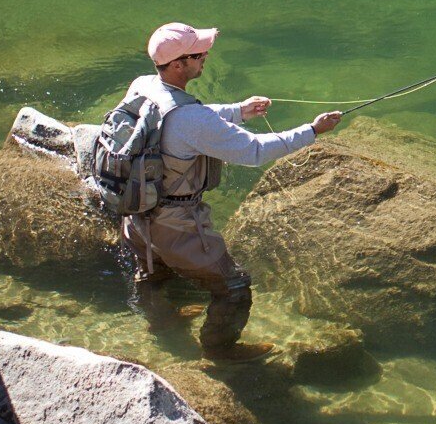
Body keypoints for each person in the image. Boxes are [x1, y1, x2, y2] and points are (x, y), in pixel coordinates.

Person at [120, 21, 341, 360]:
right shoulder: (191, 119)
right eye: (199, 53)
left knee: (153, 270)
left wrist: (238, 111)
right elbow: (254, 152)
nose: (206, 55)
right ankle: (220, 350)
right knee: (234, 287)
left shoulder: (143, 85)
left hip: (136, 212)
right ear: (179, 65)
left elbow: (185, 117)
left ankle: (161, 322)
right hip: (175, 224)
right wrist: (312, 130)